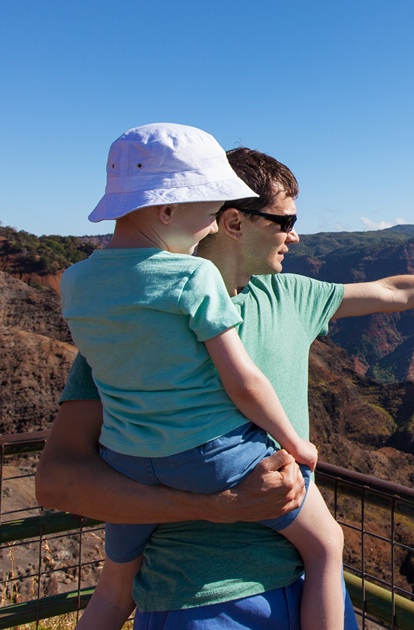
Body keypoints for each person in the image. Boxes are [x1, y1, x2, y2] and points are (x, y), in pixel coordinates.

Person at [35, 145, 414, 628]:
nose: (295, 237)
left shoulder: (289, 296)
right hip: (200, 601)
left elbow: (392, 291)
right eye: (285, 221)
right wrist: (214, 508)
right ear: (233, 222)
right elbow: (57, 482)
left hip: (309, 589)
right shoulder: (140, 328)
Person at [59, 124, 343, 629]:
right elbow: (245, 382)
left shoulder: (76, 280)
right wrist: (295, 444)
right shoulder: (193, 277)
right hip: (209, 457)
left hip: (126, 461)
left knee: (113, 587)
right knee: (328, 545)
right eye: (208, 210)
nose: (212, 224)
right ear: (167, 209)